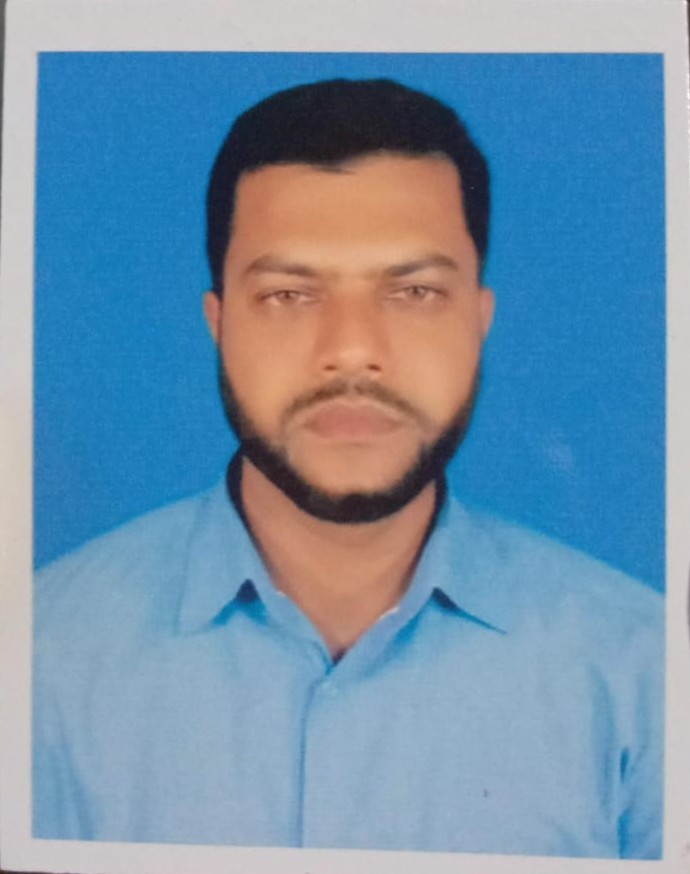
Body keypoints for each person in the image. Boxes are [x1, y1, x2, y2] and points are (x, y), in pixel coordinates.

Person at [33, 78, 663, 858]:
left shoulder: (648, 677)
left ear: (479, 321)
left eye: (415, 291)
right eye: (290, 294)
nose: (353, 349)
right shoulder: (36, 661)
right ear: (218, 325)